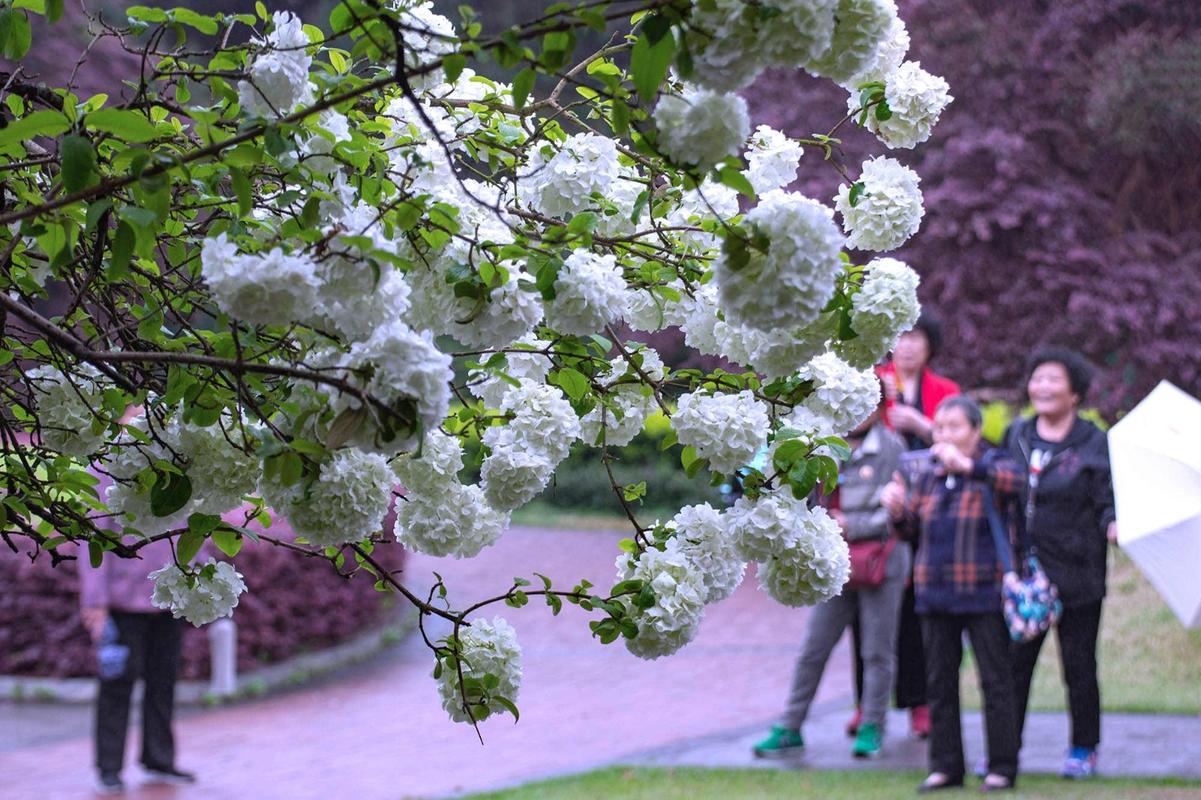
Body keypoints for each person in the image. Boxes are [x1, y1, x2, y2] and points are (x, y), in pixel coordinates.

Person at [752, 398, 908, 760]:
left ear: (880, 407)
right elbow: (806, 501)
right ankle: (790, 726)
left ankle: (872, 726)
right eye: (849, 404)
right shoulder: (821, 445)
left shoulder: (892, 447)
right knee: (814, 647)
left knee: (877, 650)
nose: (855, 411)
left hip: (881, 561)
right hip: (833, 561)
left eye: (866, 404)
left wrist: (852, 525)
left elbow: (901, 511)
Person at [882, 396, 1022, 793]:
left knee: (996, 682)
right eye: (939, 428)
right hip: (933, 592)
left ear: (975, 431)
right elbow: (911, 531)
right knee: (938, 684)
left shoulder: (993, 464)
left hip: (984, 593)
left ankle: (1001, 767)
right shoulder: (928, 473)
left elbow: (1018, 482)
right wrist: (896, 511)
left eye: (954, 427)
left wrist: (971, 467)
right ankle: (945, 767)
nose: (944, 436)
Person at [1003, 346, 1116, 780]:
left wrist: (1112, 524)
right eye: (1037, 378)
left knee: (1080, 667)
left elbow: (1108, 499)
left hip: (1079, 573)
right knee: (1015, 666)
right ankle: (1005, 749)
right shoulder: (1016, 435)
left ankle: (1083, 749)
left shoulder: (1093, 442)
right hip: (1026, 575)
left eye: (1053, 379)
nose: (1043, 386)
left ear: (1075, 392)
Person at [849, 314, 960, 740]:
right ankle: (865, 704)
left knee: (917, 613)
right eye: (900, 336)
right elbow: (850, 432)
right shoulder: (870, 381)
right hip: (875, 512)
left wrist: (924, 426)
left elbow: (962, 439)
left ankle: (919, 704)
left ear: (931, 345)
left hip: (926, 513)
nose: (908, 346)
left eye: (916, 338)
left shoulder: (944, 391)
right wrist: (884, 409)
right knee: (865, 613)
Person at [79, 493, 197, 795]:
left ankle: (159, 759)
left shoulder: (178, 469)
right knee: (117, 685)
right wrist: (94, 602)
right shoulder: (107, 472)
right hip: (122, 606)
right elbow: (92, 536)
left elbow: (193, 532)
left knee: (163, 683)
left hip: (170, 603)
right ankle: (109, 768)